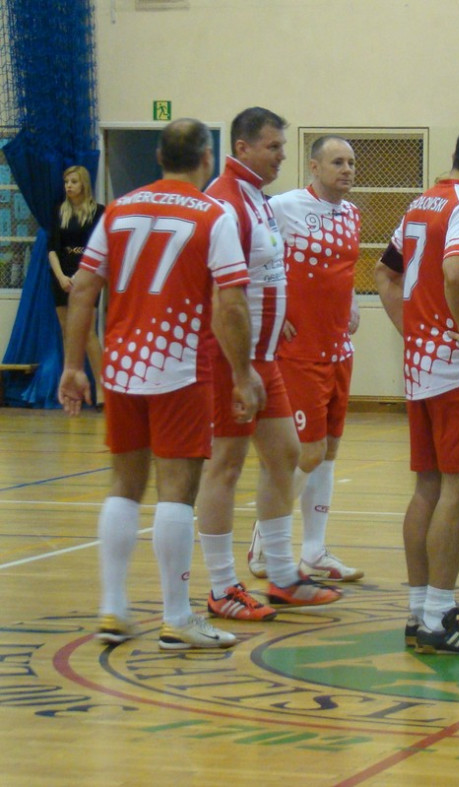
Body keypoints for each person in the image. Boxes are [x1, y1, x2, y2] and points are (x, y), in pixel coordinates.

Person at [57, 118, 266, 649]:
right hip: (179, 367)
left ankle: (113, 608)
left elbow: (83, 288)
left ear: (158, 156)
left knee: (124, 485)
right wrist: (243, 373)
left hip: (122, 367)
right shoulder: (213, 215)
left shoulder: (118, 210)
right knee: (177, 490)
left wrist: (74, 365)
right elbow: (231, 303)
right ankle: (176, 618)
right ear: (206, 158)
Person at [196, 108, 342, 621]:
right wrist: (240, 369)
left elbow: (262, 279)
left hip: (263, 357)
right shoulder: (225, 201)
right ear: (242, 147)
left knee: (285, 455)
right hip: (231, 360)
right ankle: (221, 587)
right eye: (273, 147)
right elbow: (223, 296)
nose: (282, 155)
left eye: (282, 146)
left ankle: (282, 576)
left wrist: (275, 323)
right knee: (225, 465)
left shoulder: (257, 198)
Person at [375, 122, 459, 655]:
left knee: (427, 488)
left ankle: (419, 612)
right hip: (458, 371)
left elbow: (384, 275)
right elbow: (457, 271)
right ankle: (439, 617)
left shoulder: (420, 204)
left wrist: (414, 333)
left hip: (422, 368)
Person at [247, 136, 365, 584]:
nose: (347, 169)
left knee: (328, 451)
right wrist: (270, 314)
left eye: (351, 162)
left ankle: (314, 551)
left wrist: (352, 303)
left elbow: (346, 270)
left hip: (338, 348)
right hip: (300, 352)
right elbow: (252, 258)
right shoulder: (282, 207)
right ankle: (264, 536)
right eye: (337, 162)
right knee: (307, 452)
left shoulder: (352, 213)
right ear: (314, 167)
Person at [48, 165, 105, 409]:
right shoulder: (59, 211)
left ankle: (102, 390)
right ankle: (71, 388)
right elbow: (52, 249)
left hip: (87, 276)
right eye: (66, 182)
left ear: (84, 184)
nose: (69, 186)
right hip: (62, 276)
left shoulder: (98, 212)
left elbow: (98, 249)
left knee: (88, 333)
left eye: (73, 181)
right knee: (67, 332)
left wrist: (81, 275)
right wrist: (61, 276)